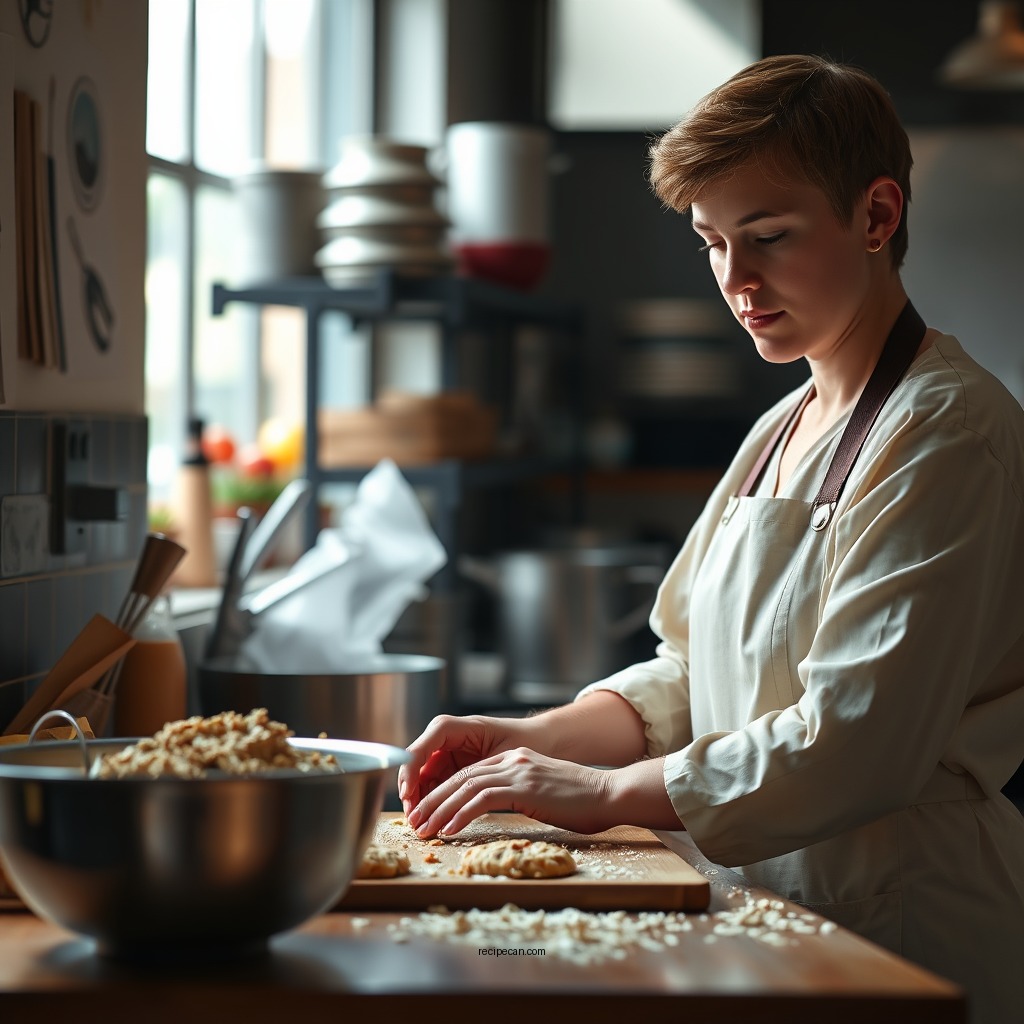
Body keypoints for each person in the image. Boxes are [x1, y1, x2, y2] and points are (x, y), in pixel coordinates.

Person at [398, 54, 1024, 1024]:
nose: (735, 279)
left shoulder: (949, 432)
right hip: (766, 909)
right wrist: (526, 739)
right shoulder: (781, 427)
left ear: (876, 216)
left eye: (767, 236)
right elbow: (692, 672)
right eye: (710, 242)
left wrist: (601, 790)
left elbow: (854, 742)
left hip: (902, 918)